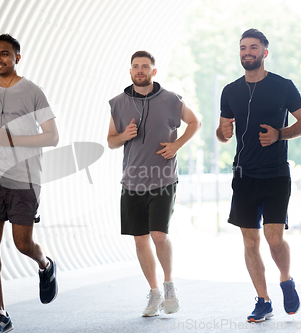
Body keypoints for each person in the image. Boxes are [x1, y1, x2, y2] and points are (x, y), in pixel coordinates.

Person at [216, 29, 301, 322]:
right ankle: (263, 300)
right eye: (243, 47)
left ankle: (285, 278)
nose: (247, 52)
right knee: (250, 242)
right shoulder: (230, 91)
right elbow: (221, 133)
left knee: (273, 239)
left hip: (275, 175)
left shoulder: (283, 86)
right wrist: (223, 133)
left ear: (264, 53)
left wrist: (280, 134)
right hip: (244, 175)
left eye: (253, 47)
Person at [0, 34, 59, 333]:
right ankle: (0, 314)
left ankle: (45, 265)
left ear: (17, 58)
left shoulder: (33, 92)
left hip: (25, 177)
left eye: (5, 54)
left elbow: (52, 136)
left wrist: (12, 139)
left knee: (23, 243)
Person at [107, 51, 201, 317]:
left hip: (163, 179)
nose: (140, 70)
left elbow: (195, 122)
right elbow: (111, 141)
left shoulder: (171, 100)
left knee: (159, 235)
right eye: (136, 66)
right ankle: (154, 292)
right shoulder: (118, 103)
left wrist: (177, 145)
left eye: (145, 66)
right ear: (130, 71)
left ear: (153, 71)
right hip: (132, 181)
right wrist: (124, 135)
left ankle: (169, 284)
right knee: (140, 240)